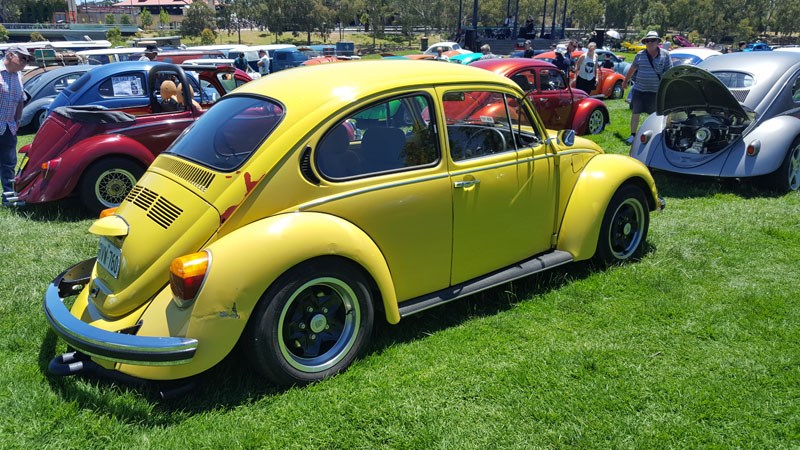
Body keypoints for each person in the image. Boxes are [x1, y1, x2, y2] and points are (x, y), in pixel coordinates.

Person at [623, 31, 673, 145]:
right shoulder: (640, 55)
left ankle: (655, 136)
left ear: (658, 42)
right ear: (645, 42)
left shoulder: (665, 55)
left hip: (656, 92)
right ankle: (633, 135)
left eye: (653, 40)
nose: (650, 43)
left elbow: (669, 72)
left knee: (656, 115)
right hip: (639, 90)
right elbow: (632, 69)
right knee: (636, 113)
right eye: (648, 41)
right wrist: (625, 81)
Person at [1, 46, 31, 206]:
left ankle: (8, 196)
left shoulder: (18, 75)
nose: (25, 62)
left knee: (9, 163)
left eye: (27, 59)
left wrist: (18, 120)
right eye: (23, 58)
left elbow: (20, 99)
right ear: (10, 55)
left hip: (8, 126)